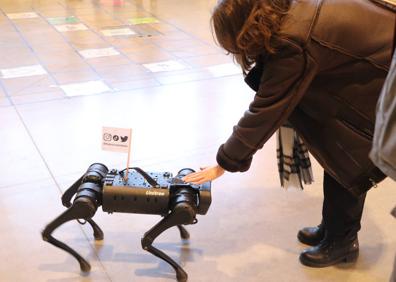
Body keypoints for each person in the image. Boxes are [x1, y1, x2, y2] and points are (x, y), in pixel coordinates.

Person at [183, 0, 395, 268]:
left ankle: (342, 242)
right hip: (378, 55)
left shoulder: (292, 41)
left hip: (383, 69)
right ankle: (333, 228)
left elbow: (266, 109)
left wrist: (224, 162)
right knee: (338, 150)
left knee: (347, 152)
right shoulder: (286, 9)